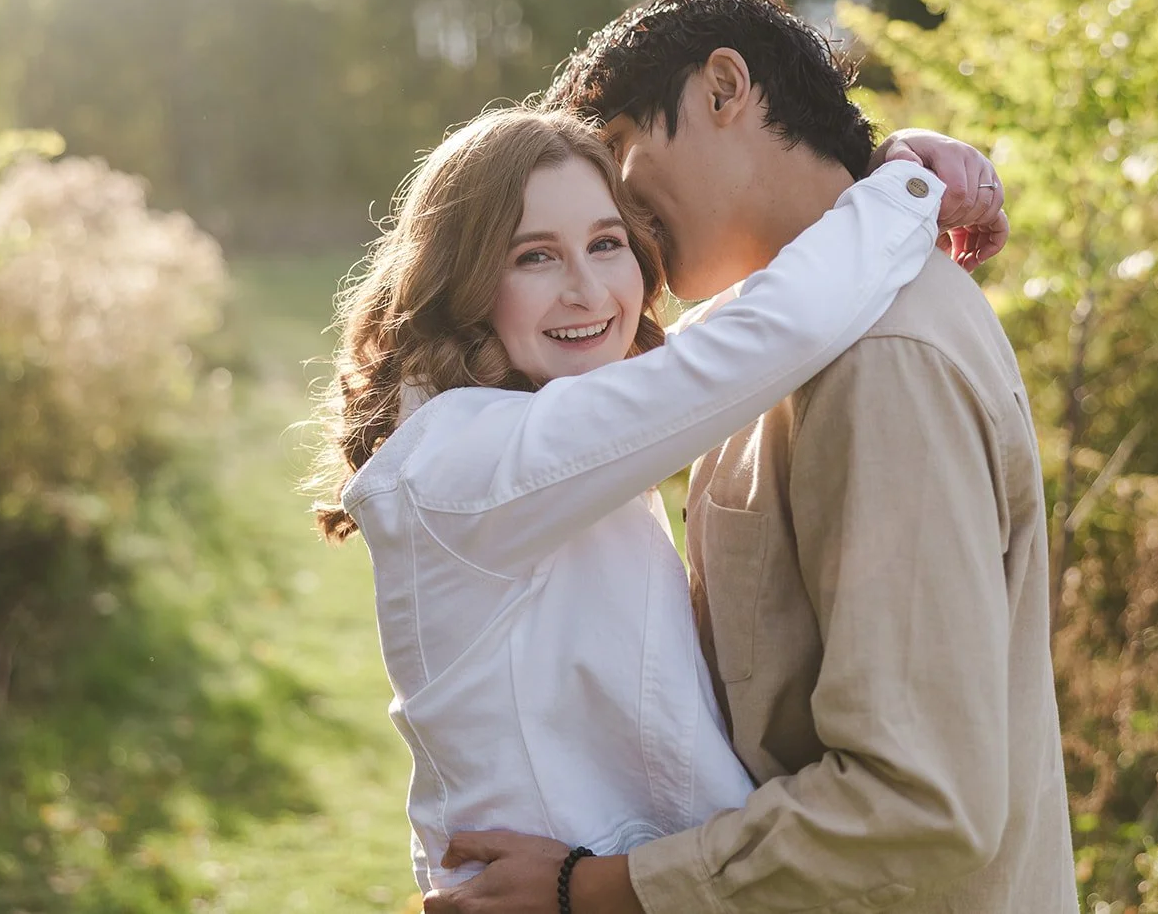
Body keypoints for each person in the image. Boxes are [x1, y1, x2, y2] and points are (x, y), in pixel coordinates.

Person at [424, 0, 1078, 914]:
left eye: (619, 155)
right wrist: (898, 174)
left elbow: (918, 804)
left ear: (723, 88)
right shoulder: (764, 340)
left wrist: (596, 888)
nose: (620, 204)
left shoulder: (883, 362)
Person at [308, 105, 1001, 899]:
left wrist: (893, 170)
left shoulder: (540, 433)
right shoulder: (463, 463)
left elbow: (725, 333)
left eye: (607, 244)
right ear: (465, 280)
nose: (587, 290)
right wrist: (904, 191)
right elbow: (744, 351)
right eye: (535, 257)